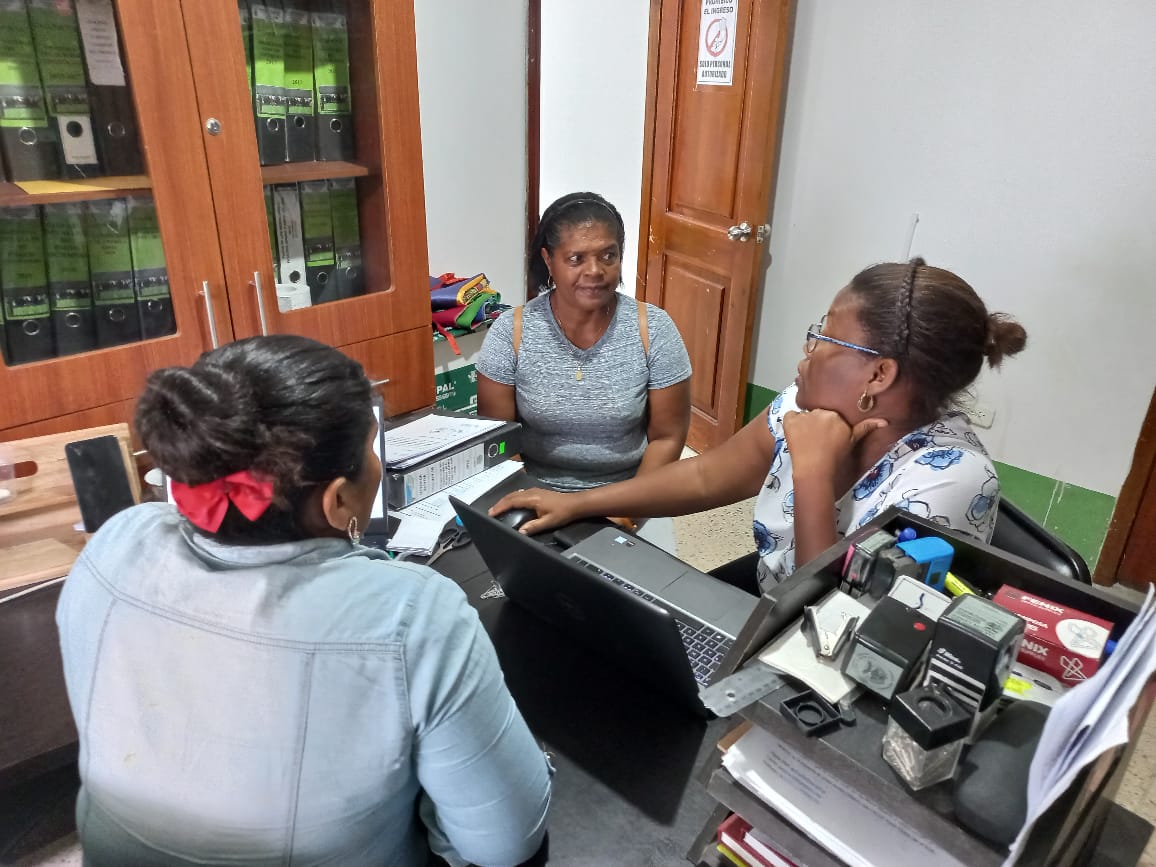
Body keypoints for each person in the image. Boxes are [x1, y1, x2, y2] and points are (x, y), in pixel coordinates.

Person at [56, 336, 551, 867]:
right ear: (336, 500)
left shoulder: (117, 539)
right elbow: (505, 843)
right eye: (372, 448)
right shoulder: (414, 616)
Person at [490, 258, 1027, 593]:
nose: (808, 350)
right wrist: (581, 503)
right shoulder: (805, 404)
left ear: (879, 374)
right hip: (770, 587)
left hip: (831, 653)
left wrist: (814, 473)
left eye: (825, 338)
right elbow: (706, 476)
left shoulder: (948, 479)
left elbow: (832, 624)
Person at [476, 191, 692, 496]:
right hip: (535, 493)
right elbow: (498, 441)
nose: (595, 271)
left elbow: (668, 438)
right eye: (576, 259)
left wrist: (627, 511)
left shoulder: (653, 329)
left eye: (608, 256)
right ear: (549, 260)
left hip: (631, 494)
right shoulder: (511, 332)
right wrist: (526, 501)